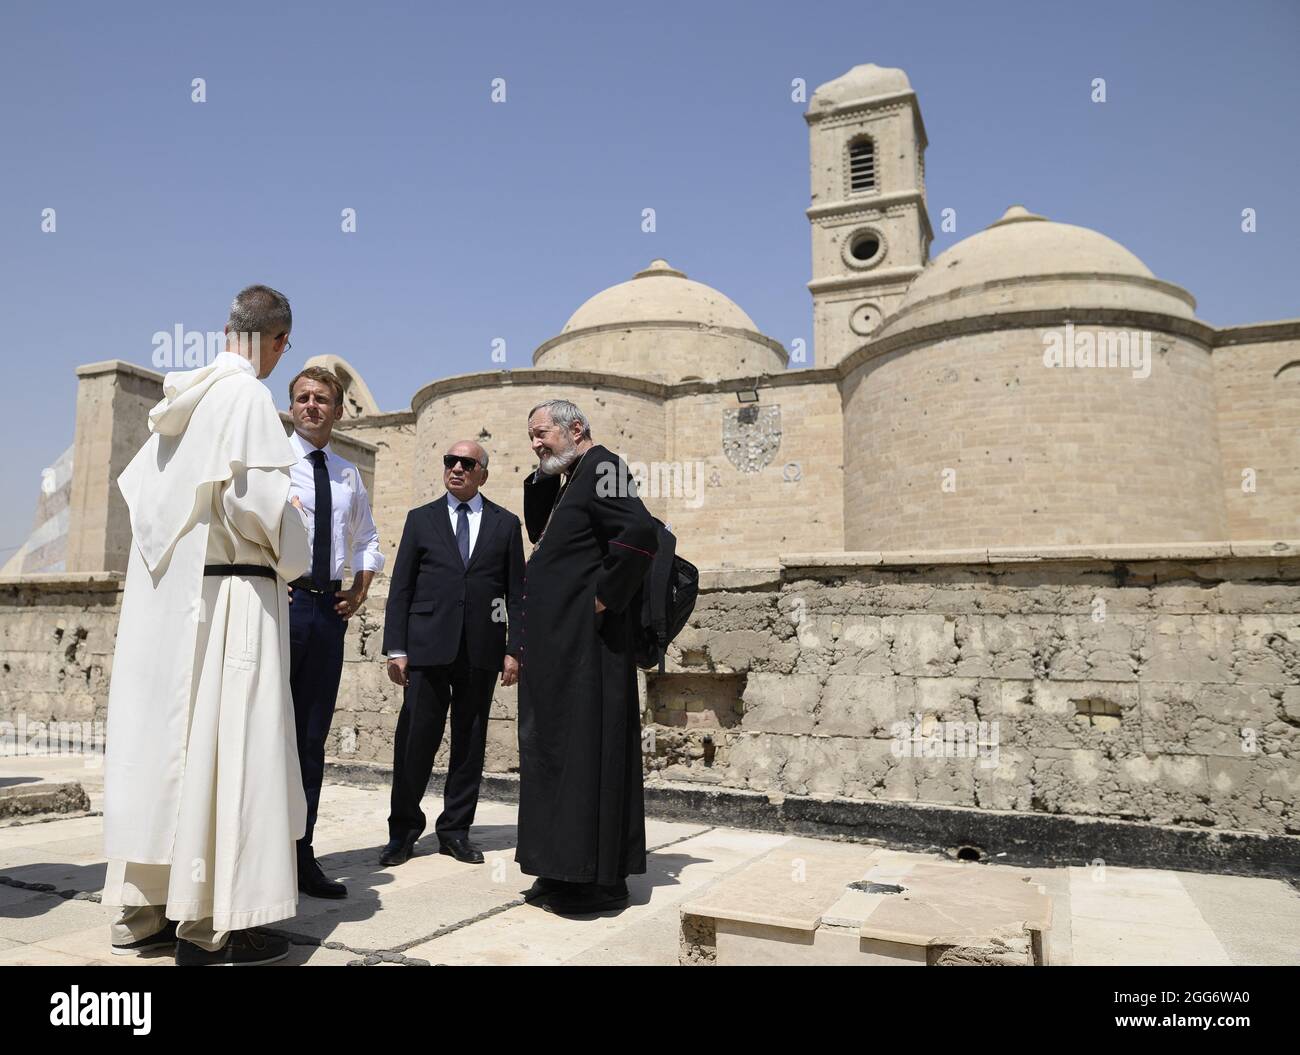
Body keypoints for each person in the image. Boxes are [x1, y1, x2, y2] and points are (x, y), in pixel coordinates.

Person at [102, 284, 311, 966]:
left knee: (173, 757)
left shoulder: (179, 402)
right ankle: (215, 919)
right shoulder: (247, 396)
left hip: (176, 607)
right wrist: (299, 538)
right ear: (275, 340)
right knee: (230, 751)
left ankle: (150, 911)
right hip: (234, 604)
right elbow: (257, 506)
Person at [515, 399, 658, 915]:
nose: (535, 442)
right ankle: (559, 868)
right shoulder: (571, 477)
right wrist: (542, 471)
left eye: (541, 433)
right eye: (530, 436)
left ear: (576, 428)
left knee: (585, 754)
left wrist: (606, 595)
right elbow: (539, 534)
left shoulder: (604, 466)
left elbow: (639, 532)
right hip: (559, 646)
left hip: (589, 647)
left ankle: (596, 879)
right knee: (554, 752)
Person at [380, 442, 524, 866]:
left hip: (481, 650)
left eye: (466, 463)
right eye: (450, 462)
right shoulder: (420, 520)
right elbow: (401, 587)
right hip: (426, 649)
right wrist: (397, 647)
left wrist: (514, 648)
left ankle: (455, 831)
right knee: (414, 742)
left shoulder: (505, 523)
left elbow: (517, 593)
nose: (456, 469)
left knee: (469, 742)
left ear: (482, 473)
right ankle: (403, 832)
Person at [284, 366, 385, 898]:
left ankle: (302, 853)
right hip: (283, 604)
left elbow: (367, 537)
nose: (311, 406)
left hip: (327, 612)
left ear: (338, 410)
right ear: (292, 406)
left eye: (322, 399)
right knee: (264, 729)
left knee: (310, 737)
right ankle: (256, 852)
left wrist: (362, 588)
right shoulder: (271, 463)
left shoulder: (348, 475)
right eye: (302, 398)